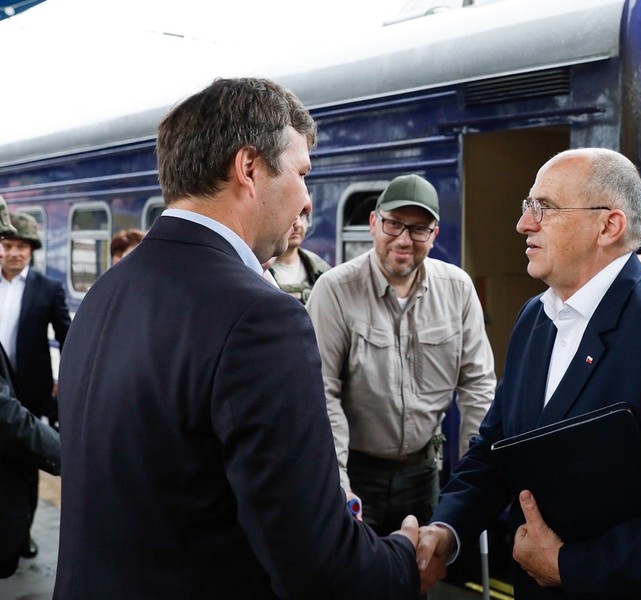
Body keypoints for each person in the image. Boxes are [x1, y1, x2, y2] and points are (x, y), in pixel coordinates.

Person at [55, 77, 421, 598]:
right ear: (249, 168)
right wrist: (405, 558)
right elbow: (319, 568)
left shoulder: (107, 292)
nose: (307, 202)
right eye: (301, 174)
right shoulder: (258, 318)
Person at [416, 148, 641, 599]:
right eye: (527, 207)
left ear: (608, 226)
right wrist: (447, 529)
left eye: (545, 208)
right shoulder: (535, 318)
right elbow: (500, 448)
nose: (524, 224)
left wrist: (568, 566)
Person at [307, 173, 495, 534]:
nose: (404, 240)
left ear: (434, 234)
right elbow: (321, 393)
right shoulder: (335, 291)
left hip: (423, 473)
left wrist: (475, 477)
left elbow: (478, 385)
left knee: (417, 578)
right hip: (356, 474)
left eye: (419, 229)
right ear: (374, 223)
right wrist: (338, 484)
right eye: (394, 224)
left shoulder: (458, 290)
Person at [0, 211, 70, 560]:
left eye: (21, 247)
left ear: (31, 251)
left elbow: (66, 336)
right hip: (4, 395)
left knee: (25, 468)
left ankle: (21, 534)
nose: (13, 253)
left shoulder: (47, 288)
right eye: (8, 244)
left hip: (28, 390)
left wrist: (65, 380)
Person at [269, 213, 330, 304]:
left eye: (302, 216)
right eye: (292, 216)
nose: (298, 224)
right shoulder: (261, 269)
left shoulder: (321, 269)